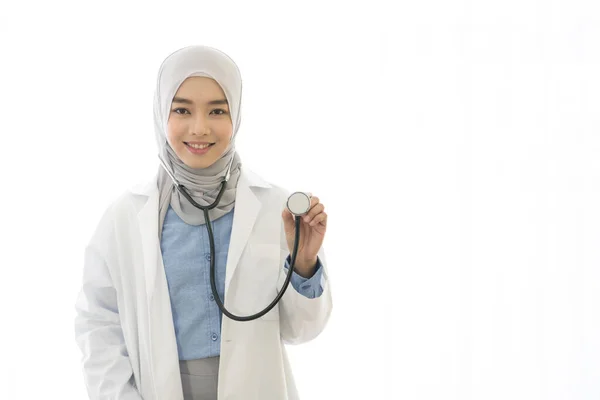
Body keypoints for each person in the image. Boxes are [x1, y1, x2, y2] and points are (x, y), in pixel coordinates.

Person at [73, 45, 333, 400]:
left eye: (217, 110)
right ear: (161, 113)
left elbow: (301, 330)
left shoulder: (277, 208)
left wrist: (303, 264)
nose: (200, 128)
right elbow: (98, 322)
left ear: (236, 116)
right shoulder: (125, 217)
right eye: (182, 109)